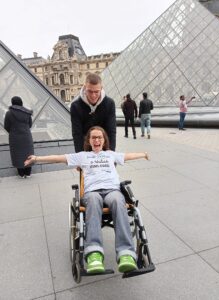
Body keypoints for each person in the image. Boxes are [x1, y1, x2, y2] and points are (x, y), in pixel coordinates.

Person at [24, 126, 150, 274]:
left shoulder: (110, 154)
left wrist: (143, 154)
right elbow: (60, 158)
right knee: (94, 201)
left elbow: (128, 156)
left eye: (99, 137)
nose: (97, 140)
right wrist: (37, 158)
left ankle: (126, 254)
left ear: (104, 140)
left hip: (112, 190)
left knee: (118, 200)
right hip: (92, 192)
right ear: (89, 141)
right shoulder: (83, 156)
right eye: (93, 137)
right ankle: (94, 253)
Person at [70, 73, 116, 152]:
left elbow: (111, 132)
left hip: (104, 148)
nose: (93, 95)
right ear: (84, 88)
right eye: (90, 91)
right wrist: (80, 157)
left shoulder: (109, 104)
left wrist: (111, 156)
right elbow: (77, 135)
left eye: (96, 92)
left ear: (101, 88)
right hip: (85, 149)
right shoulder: (75, 106)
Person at [4, 96, 34, 178]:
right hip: (26, 137)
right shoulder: (27, 113)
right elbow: (30, 125)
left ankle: (21, 174)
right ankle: (28, 174)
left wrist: (13, 131)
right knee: (28, 154)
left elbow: (6, 126)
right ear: (21, 102)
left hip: (15, 138)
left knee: (17, 155)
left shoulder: (9, 113)